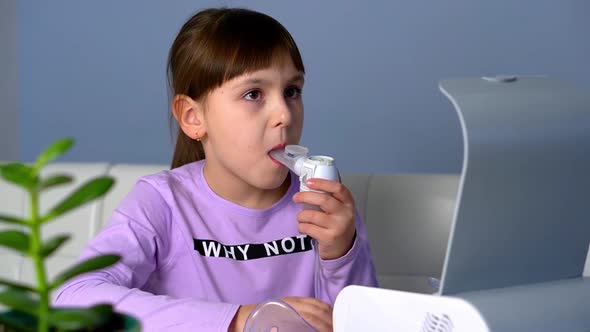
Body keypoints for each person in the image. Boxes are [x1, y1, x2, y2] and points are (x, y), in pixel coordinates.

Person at [53, 7, 377, 332]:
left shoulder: (323, 207)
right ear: (193, 117)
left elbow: (362, 323)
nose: (284, 115)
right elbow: (72, 296)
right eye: (253, 94)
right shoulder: (161, 203)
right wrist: (239, 319)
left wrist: (342, 255)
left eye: (292, 91)